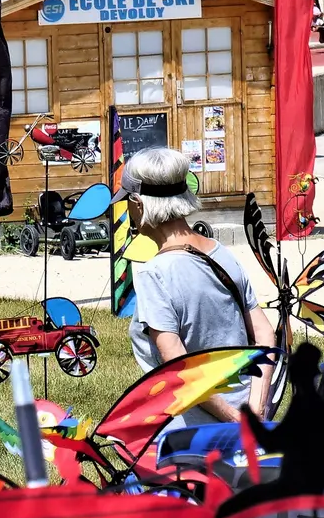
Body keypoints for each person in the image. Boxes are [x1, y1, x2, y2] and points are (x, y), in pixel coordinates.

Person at [116, 147, 278, 425]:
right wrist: (256, 407)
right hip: (249, 413)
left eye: (126, 203)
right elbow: (264, 331)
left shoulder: (155, 275)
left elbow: (178, 365)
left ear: (138, 204)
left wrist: (232, 419)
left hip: (192, 434)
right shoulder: (221, 253)